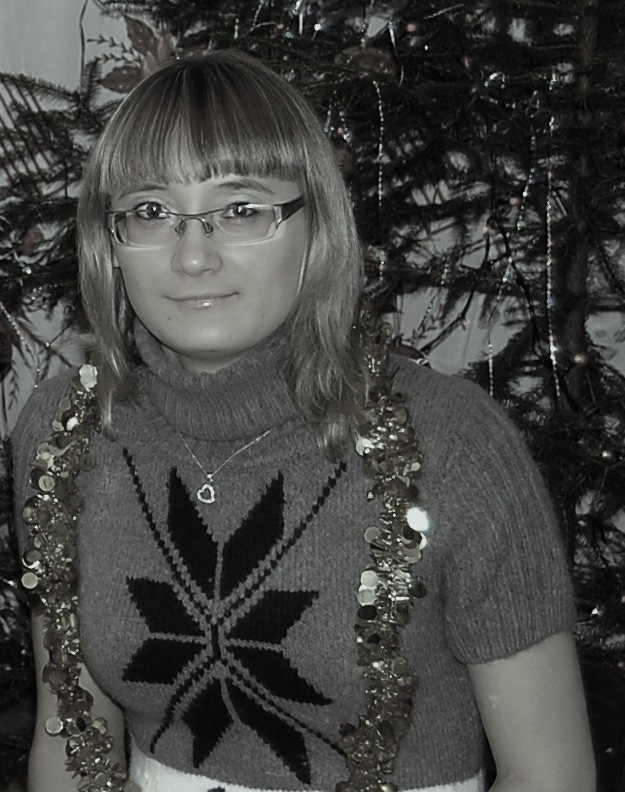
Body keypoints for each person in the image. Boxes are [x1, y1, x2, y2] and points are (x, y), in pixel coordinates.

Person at [13, 50, 595, 792]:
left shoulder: (451, 444)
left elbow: (550, 774)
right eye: (151, 211)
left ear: (315, 226)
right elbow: (71, 740)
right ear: (111, 242)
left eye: (240, 209)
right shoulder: (63, 432)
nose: (192, 256)